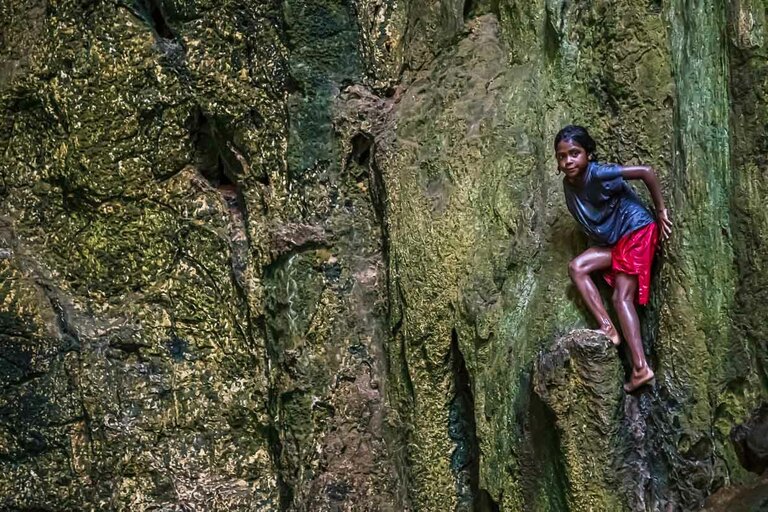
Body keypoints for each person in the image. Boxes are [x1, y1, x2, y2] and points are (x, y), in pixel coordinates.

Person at [554, 125, 672, 392]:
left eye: (575, 153)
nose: (569, 160)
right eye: (562, 156)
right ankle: (608, 328)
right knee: (578, 267)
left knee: (621, 297)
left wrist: (661, 211)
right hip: (616, 241)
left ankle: (641, 368)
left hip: (636, 231)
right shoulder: (568, 185)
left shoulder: (598, 173)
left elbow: (645, 172)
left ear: (588, 155)